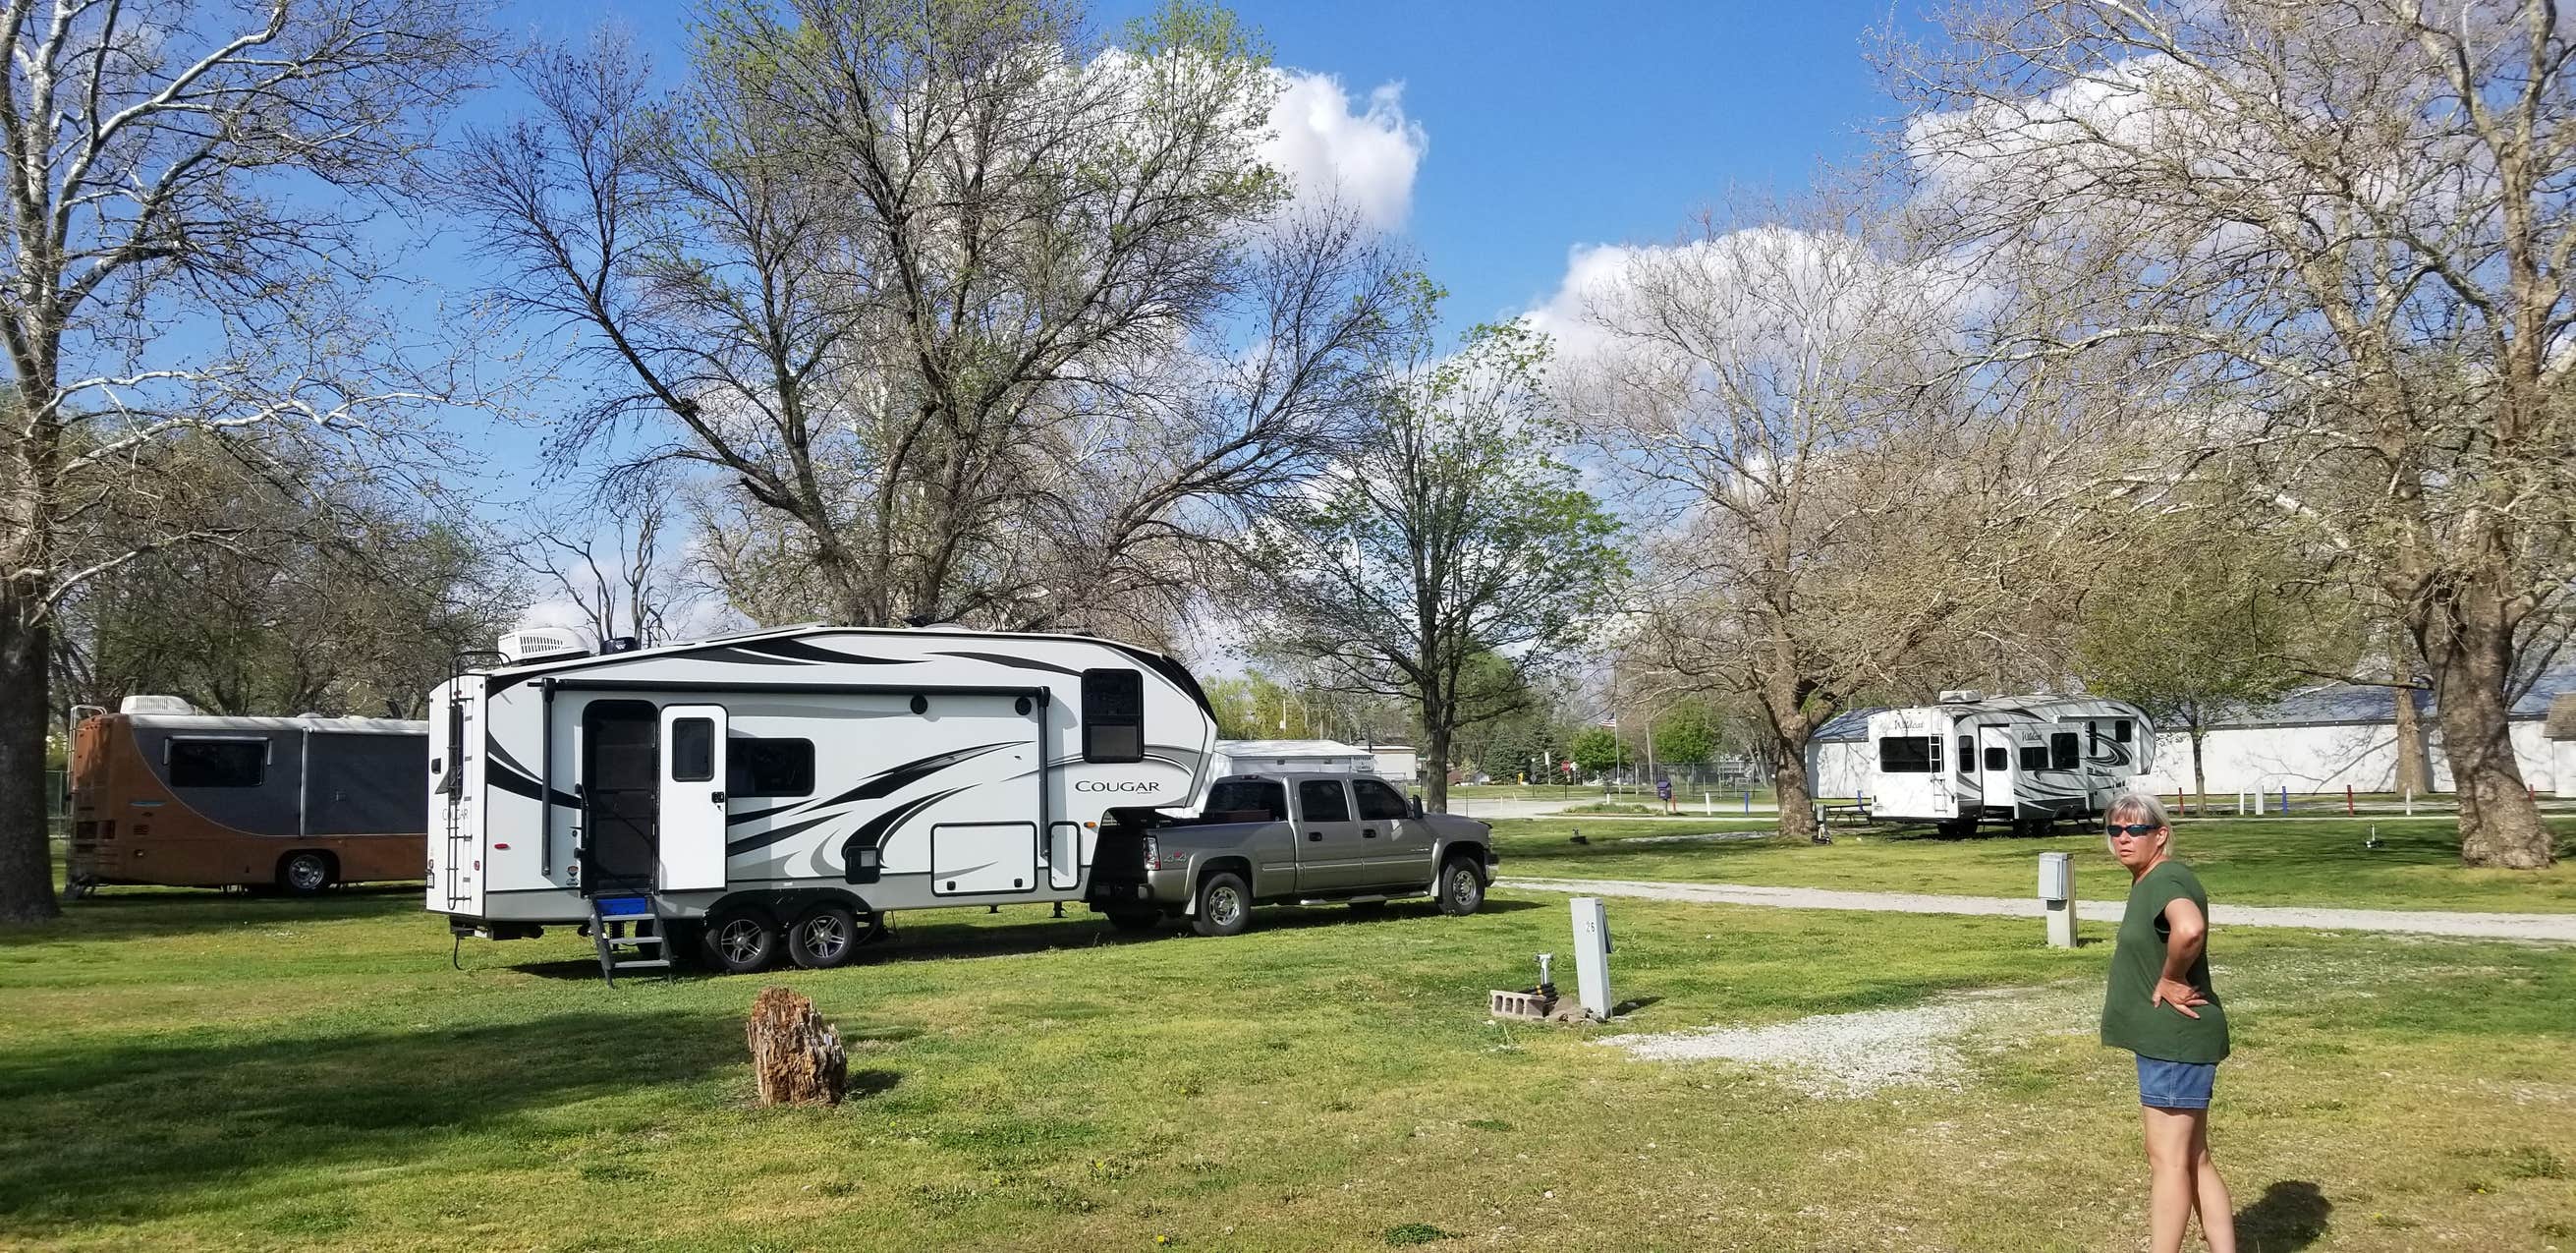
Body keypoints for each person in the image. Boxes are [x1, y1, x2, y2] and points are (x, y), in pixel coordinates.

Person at [2100, 791, 2237, 1253]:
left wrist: (2171, 977)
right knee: (2193, 1158)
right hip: (2176, 1040)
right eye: (2115, 829)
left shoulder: (2166, 880)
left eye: (2135, 829)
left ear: (2160, 835)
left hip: (2174, 1039)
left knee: (2168, 1160)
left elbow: (2190, 928)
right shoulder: (2151, 880)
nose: (2123, 838)